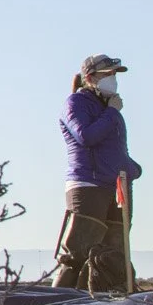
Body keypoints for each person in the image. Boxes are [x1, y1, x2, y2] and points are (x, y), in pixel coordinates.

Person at [54, 54, 140, 291]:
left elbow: (113, 149)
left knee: (114, 254)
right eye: (108, 75)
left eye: (114, 75)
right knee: (78, 253)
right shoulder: (76, 103)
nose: (113, 79)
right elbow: (86, 136)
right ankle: (56, 302)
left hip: (116, 186)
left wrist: (131, 168)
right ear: (90, 78)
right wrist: (112, 112)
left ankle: (109, 304)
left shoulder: (106, 107)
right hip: (88, 185)